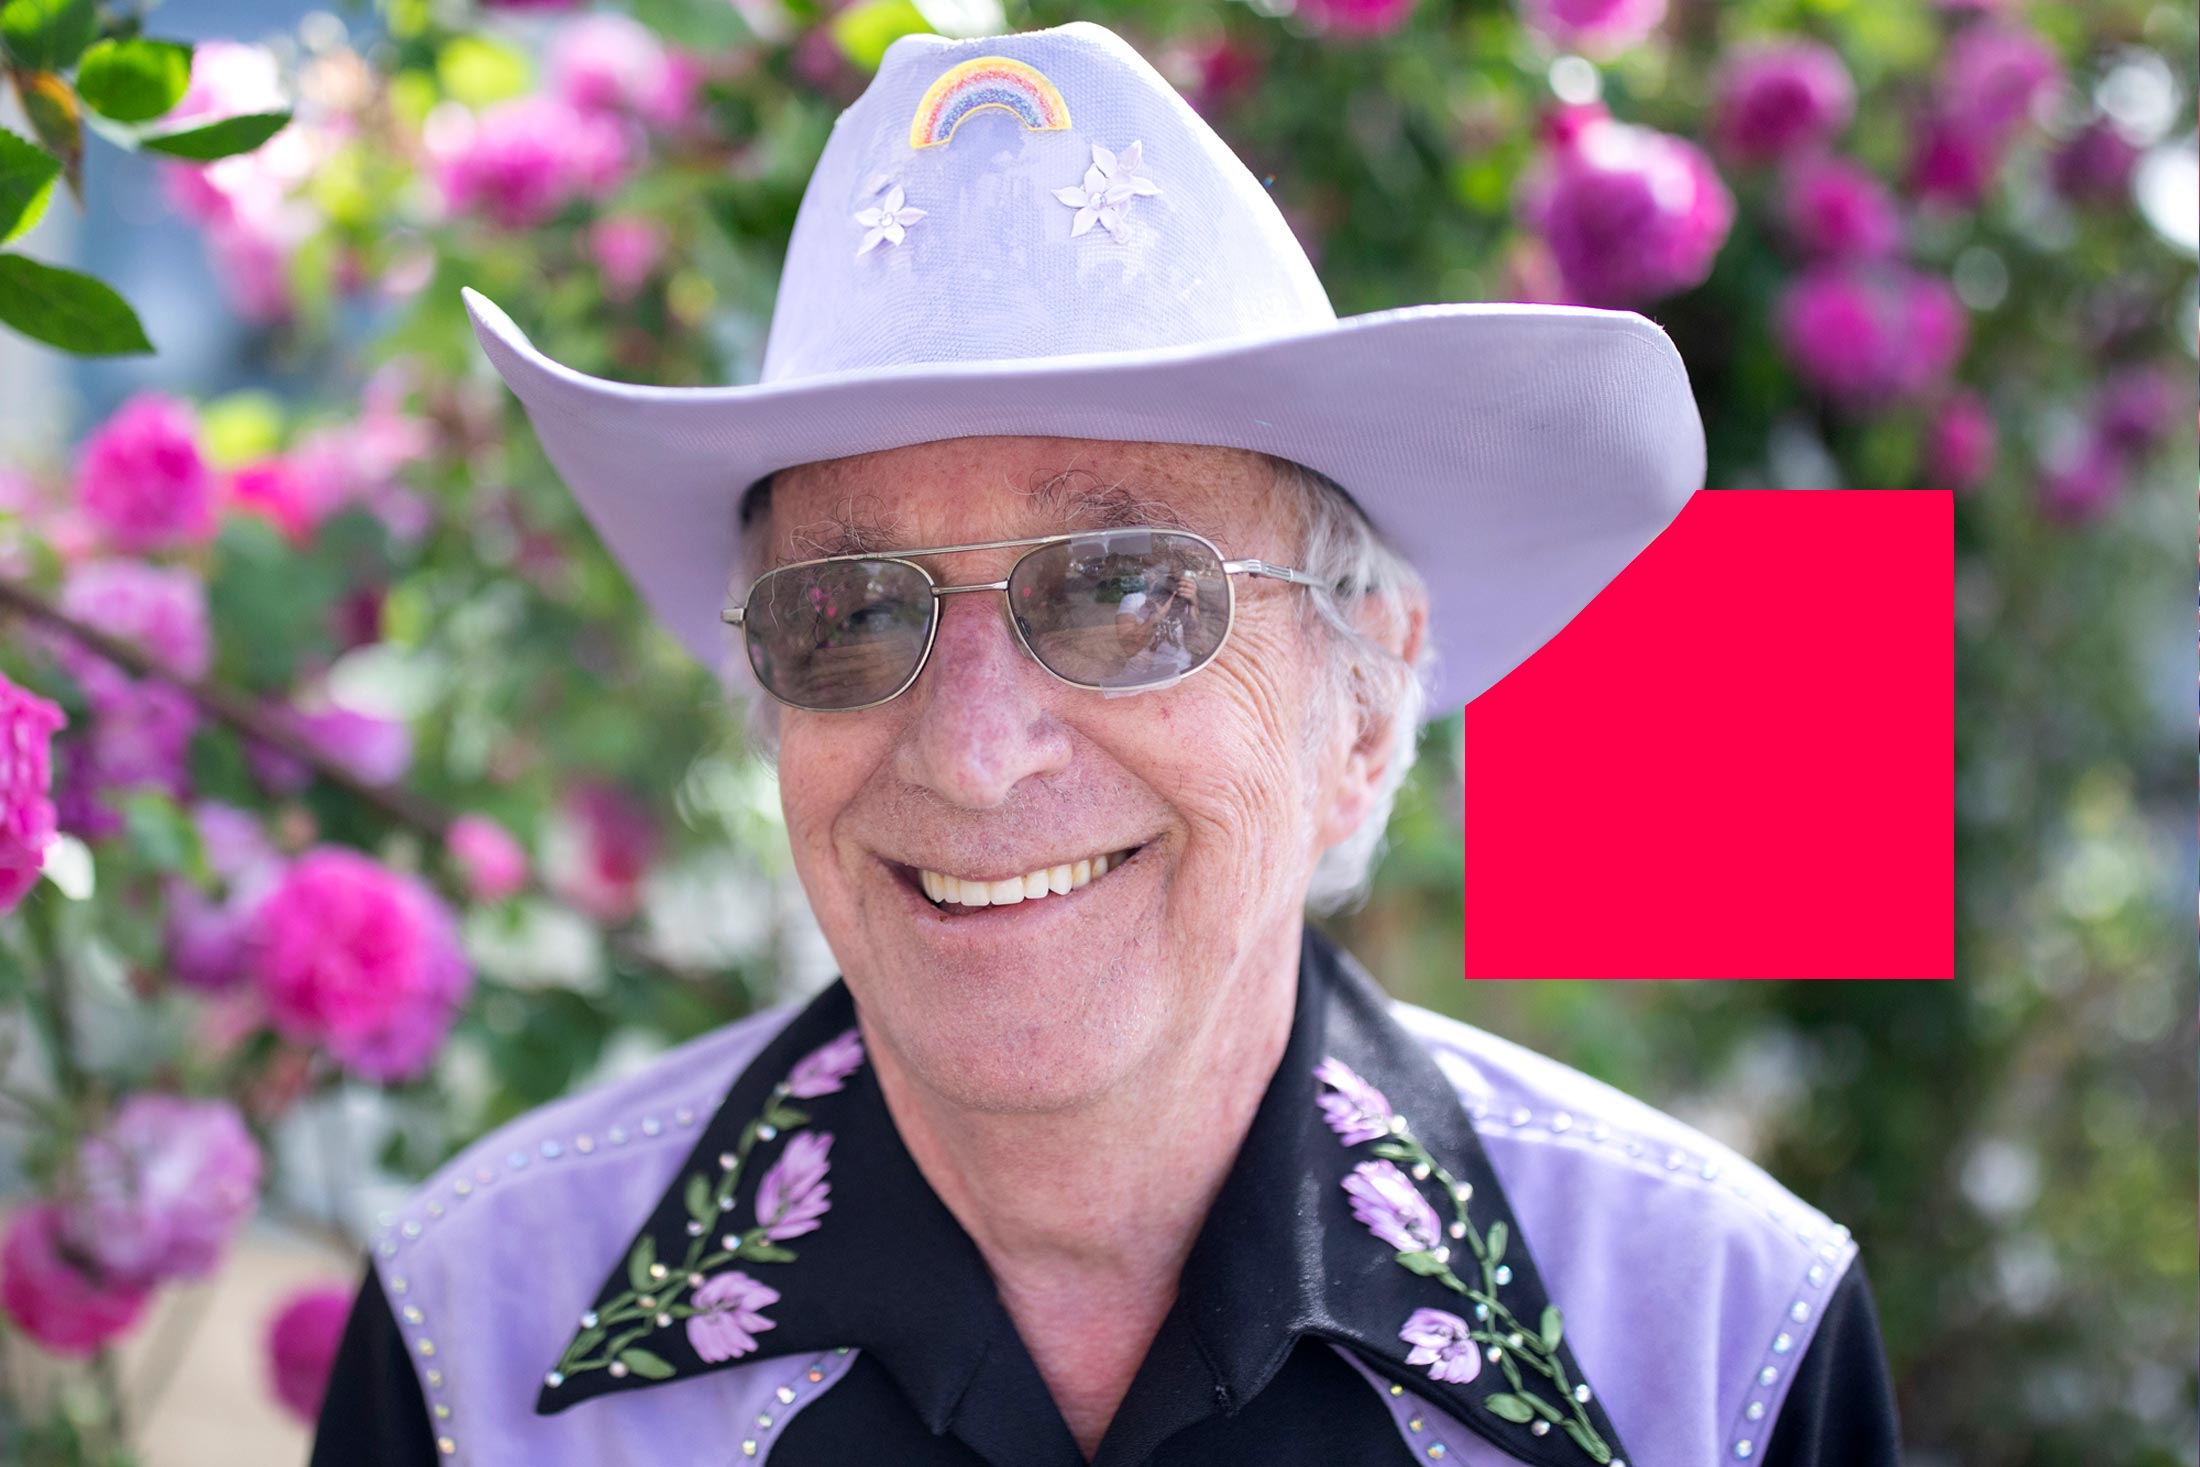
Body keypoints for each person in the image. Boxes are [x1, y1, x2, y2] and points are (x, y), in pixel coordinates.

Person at [311, 21, 1901, 1467]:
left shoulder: (1721, 1354)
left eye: (1127, 589)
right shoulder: (473, 1348)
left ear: (1362, 702)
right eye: (850, 610)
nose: (974, 753)